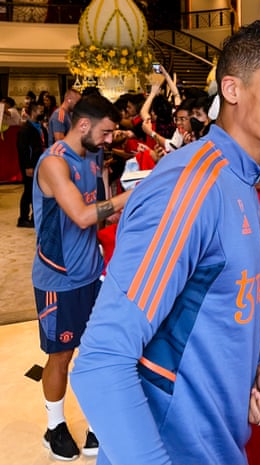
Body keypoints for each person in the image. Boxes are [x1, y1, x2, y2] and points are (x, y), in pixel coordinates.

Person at [71, 20, 260, 465]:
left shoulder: (241, 180)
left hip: (220, 444)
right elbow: (101, 362)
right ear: (233, 90)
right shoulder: (193, 184)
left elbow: (214, 310)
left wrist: (257, 368)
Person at [32, 94, 129, 461]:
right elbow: (83, 216)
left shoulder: (93, 156)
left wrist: (124, 213)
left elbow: (99, 217)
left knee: (94, 350)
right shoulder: (54, 163)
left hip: (92, 272)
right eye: (105, 132)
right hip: (59, 279)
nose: (109, 140)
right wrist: (131, 195)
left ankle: (94, 422)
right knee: (61, 354)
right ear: (84, 125)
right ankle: (54, 426)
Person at [16, 100, 47, 228]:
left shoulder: (41, 127)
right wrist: (27, 166)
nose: (42, 113)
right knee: (28, 191)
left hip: (40, 164)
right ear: (33, 112)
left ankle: (36, 217)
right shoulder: (25, 129)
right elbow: (23, 150)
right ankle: (23, 218)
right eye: (40, 110)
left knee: (38, 191)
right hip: (30, 165)